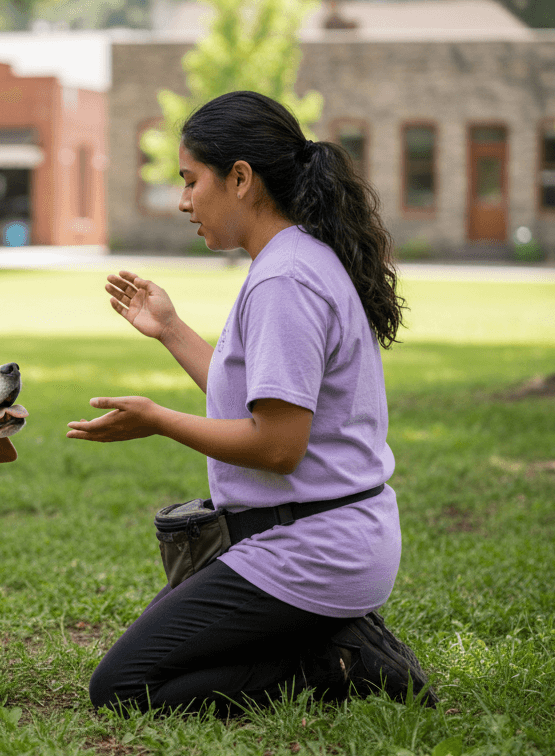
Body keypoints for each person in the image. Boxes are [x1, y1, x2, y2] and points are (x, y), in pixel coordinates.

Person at [66, 91, 435, 714]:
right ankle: (326, 640)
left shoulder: (284, 281)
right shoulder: (293, 262)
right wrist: (171, 329)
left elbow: (277, 446)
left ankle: (339, 663)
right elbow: (257, 402)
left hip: (313, 550)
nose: (184, 201)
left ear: (240, 178)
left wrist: (157, 420)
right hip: (316, 539)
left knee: (123, 689)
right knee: (158, 656)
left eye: (191, 181)